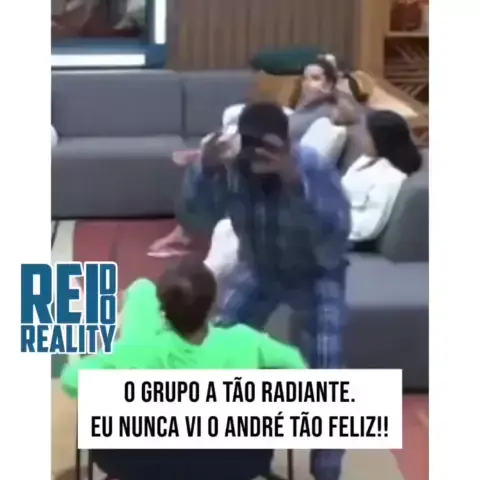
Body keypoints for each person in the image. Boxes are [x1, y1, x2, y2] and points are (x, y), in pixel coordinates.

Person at [178, 102, 350, 480]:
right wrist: (205, 170)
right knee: (216, 345)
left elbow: (334, 240)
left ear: (286, 143)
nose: (259, 155)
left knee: (327, 369)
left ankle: (326, 470)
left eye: (268, 146)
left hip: (317, 273)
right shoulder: (232, 169)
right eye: (252, 144)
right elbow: (195, 219)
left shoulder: (313, 167)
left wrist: (294, 183)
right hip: (260, 268)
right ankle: (226, 454)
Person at [148, 55, 354, 258]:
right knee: (206, 163)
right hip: (260, 150)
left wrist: (338, 90)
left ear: (329, 85)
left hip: (271, 161)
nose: (307, 83)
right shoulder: (304, 107)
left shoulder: (327, 112)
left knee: (202, 167)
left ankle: (186, 230)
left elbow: (349, 114)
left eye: (315, 78)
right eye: (305, 78)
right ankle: (188, 226)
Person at [61, 258, 306, 397]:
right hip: (231, 464)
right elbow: (300, 367)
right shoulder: (246, 342)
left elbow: (71, 380)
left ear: (162, 311)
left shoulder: (134, 352)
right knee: (142, 290)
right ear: (213, 306)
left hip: (145, 463)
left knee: (142, 289)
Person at [343, 109, 422, 242]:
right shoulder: (365, 160)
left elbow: (367, 228)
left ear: (380, 140)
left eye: (367, 136)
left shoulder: (390, 179)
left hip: (345, 236)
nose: (363, 140)